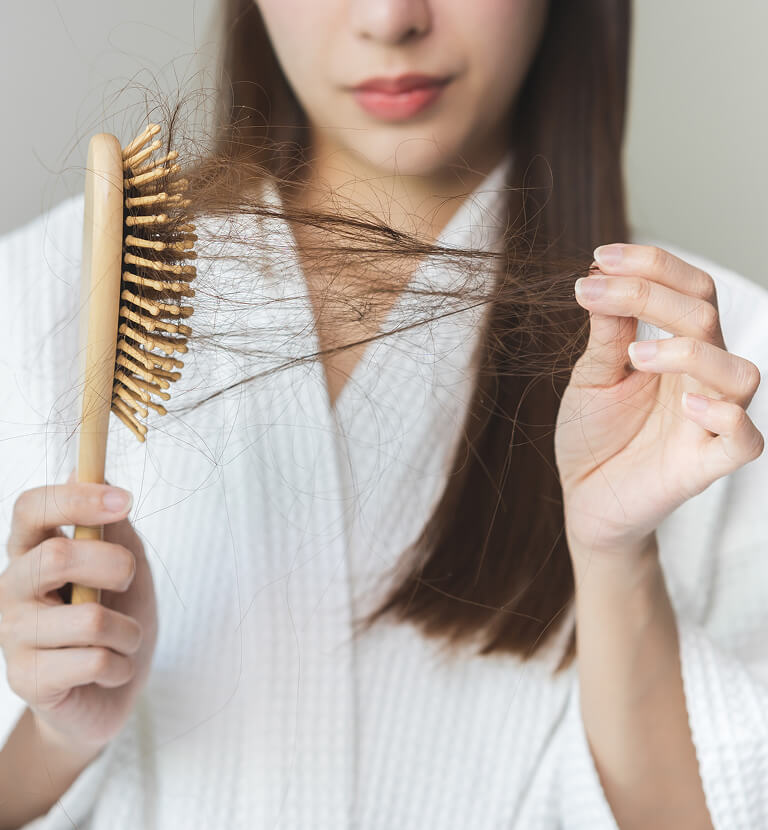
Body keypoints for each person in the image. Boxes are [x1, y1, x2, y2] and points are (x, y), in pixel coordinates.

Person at [0, 1, 767, 828]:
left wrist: (615, 557)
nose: (389, 17)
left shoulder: (714, 364)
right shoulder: (46, 289)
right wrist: (57, 733)